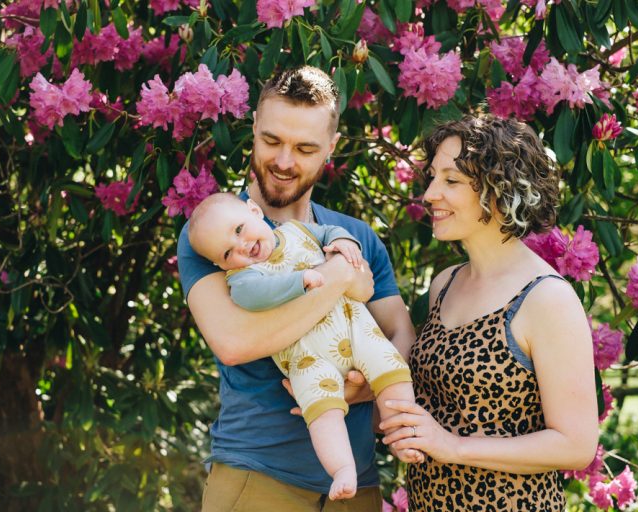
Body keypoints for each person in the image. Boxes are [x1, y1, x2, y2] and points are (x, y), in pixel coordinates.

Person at [177, 66, 416, 511]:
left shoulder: (355, 236)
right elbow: (233, 342)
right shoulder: (214, 238)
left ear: (331, 147)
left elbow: (400, 332)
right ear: (253, 128)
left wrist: (366, 387)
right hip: (257, 479)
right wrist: (338, 281)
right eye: (271, 141)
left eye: (305, 148)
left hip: (358, 486)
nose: (284, 162)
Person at [379, 114, 599, 511]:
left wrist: (453, 447)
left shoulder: (546, 299)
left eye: (451, 180)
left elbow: (577, 444)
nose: (429, 194)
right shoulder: (444, 284)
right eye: (432, 177)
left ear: (501, 191)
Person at [187, 192, 416, 500]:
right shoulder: (242, 279)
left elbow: (330, 235)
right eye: (228, 253)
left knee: (391, 368)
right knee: (322, 411)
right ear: (221, 264)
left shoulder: (298, 230)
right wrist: (304, 280)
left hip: (355, 329)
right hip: (308, 359)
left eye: (239, 229)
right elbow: (257, 296)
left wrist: (346, 244)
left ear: (255, 212)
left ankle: (404, 433)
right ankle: (341, 468)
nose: (241, 245)